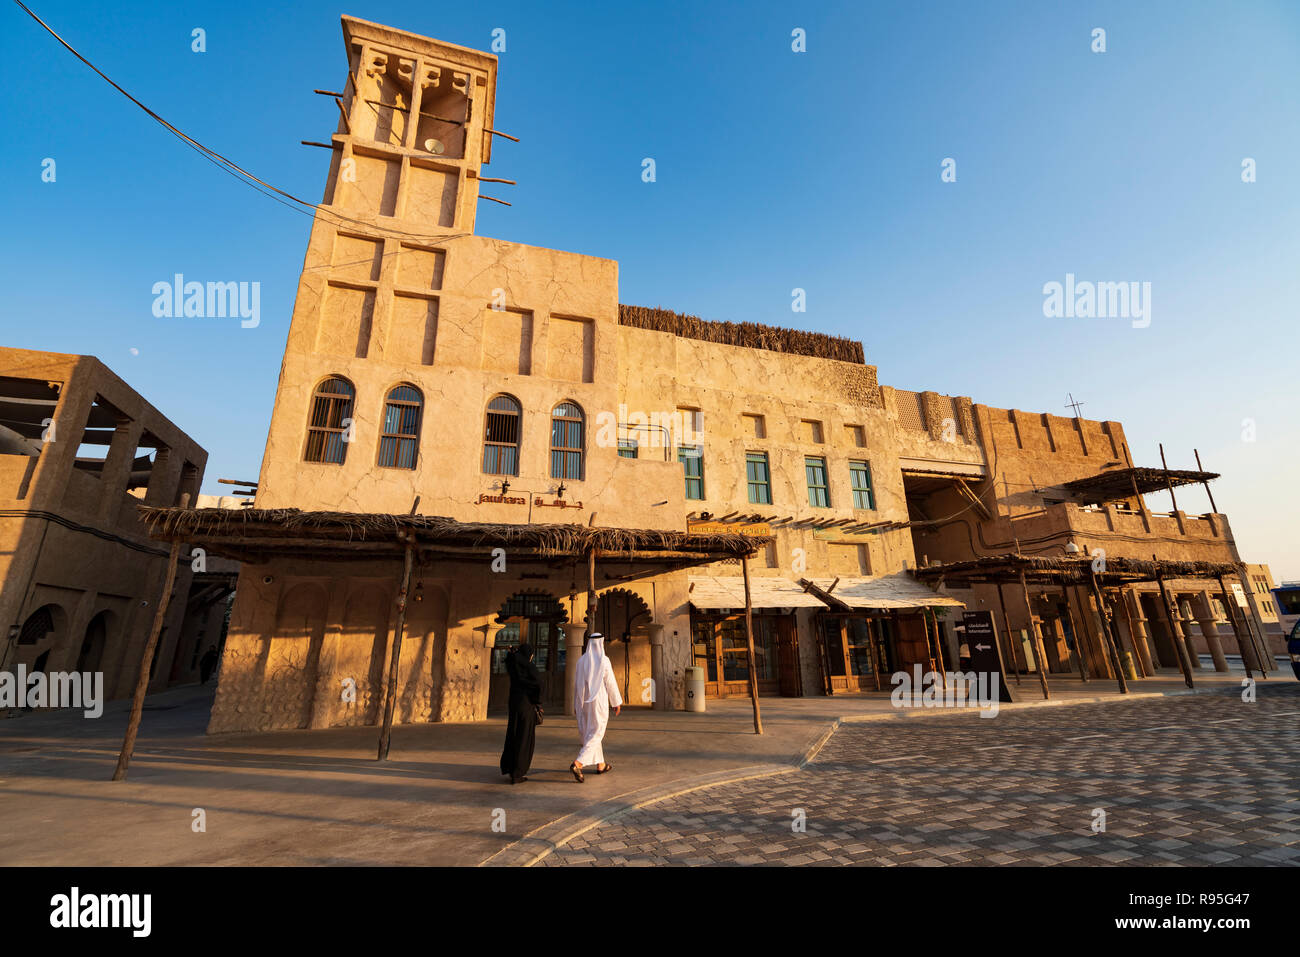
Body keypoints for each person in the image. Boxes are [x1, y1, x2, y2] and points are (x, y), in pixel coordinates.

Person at [570, 632, 622, 783]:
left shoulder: (581, 661)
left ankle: (601, 765)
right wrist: (616, 702)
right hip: (599, 701)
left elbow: (577, 685)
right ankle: (578, 763)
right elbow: (610, 682)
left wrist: (577, 704)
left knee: (591, 731)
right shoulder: (604, 661)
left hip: (585, 701)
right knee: (597, 732)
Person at [499, 642, 543, 784]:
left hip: (514, 703)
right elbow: (537, 685)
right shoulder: (529, 668)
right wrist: (537, 702)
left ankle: (511, 768)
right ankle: (518, 772)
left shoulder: (515, 667)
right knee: (524, 737)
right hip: (526, 706)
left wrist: (514, 653)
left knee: (514, 734)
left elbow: (513, 659)